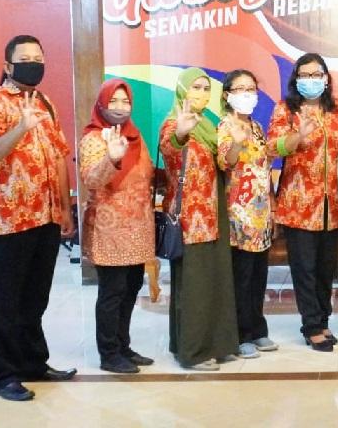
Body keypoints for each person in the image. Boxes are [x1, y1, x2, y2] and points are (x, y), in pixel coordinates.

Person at [0, 35, 77, 401]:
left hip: (47, 216)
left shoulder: (45, 102)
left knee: (35, 298)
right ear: (8, 66)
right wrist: (20, 128)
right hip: (8, 221)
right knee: (4, 301)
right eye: (25, 58)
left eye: (38, 57)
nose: (33, 63)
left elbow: (58, 156)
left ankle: (33, 363)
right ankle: (4, 374)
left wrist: (66, 208)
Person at [159, 67, 238, 371]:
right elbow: (170, 148)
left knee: (216, 281)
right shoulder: (172, 122)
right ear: (182, 90)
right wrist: (181, 132)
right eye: (195, 87)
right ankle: (193, 351)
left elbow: (225, 164)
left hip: (214, 213)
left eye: (206, 88)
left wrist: (237, 144)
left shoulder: (208, 125)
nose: (201, 94)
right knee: (194, 286)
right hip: (190, 218)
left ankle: (219, 344)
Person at [267, 53, 338, 352]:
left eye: (317, 74)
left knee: (327, 269)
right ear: (296, 78)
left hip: (332, 205)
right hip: (297, 205)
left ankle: (323, 320)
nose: (311, 80)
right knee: (305, 269)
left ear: (325, 78)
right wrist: (297, 137)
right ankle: (311, 326)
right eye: (305, 74)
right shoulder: (286, 109)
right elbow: (273, 147)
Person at [79, 78, 155, 374]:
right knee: (113, 292)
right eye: (113, 101)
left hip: (138, 226)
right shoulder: (93, 139)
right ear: (101, 104)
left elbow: (146, 173)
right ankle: (109, 353)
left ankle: (123, 346)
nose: (120, 107)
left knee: (132, 287)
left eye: (125, 101)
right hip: (109, 228)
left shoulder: (135, 136)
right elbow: (91, 180)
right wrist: (111, 158)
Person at [218, 69, 278, 359]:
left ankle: (257, 329)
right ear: (227, 95)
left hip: (261, 214)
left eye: (251, 89)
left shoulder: (256, 127)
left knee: (257, 276)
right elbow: (226, 162)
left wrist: (271, 208)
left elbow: (264, 169)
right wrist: (238, 144)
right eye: (240, 89)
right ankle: (240, 335)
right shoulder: (225, 126)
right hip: (238, 216)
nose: (247, 94)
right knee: (240, 278)